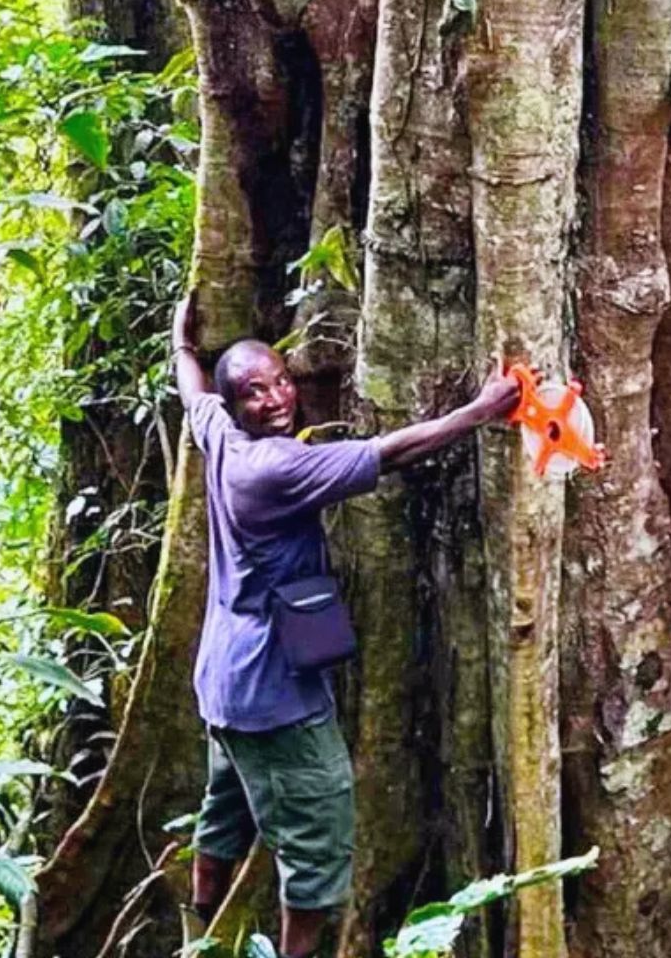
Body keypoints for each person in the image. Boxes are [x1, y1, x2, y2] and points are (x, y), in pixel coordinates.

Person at [169, 293, 520, 957]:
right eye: (254, 392)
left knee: (225, 817)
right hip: (273, 696)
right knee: (318, 846)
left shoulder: (221, 436)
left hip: (224, 682)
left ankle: (198, 929)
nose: (274, 400)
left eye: (280, 382)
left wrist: (183, 349)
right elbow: (387, 454)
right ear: (237, 403)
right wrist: (479, 411)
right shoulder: (274, 468)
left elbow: (194, 398)